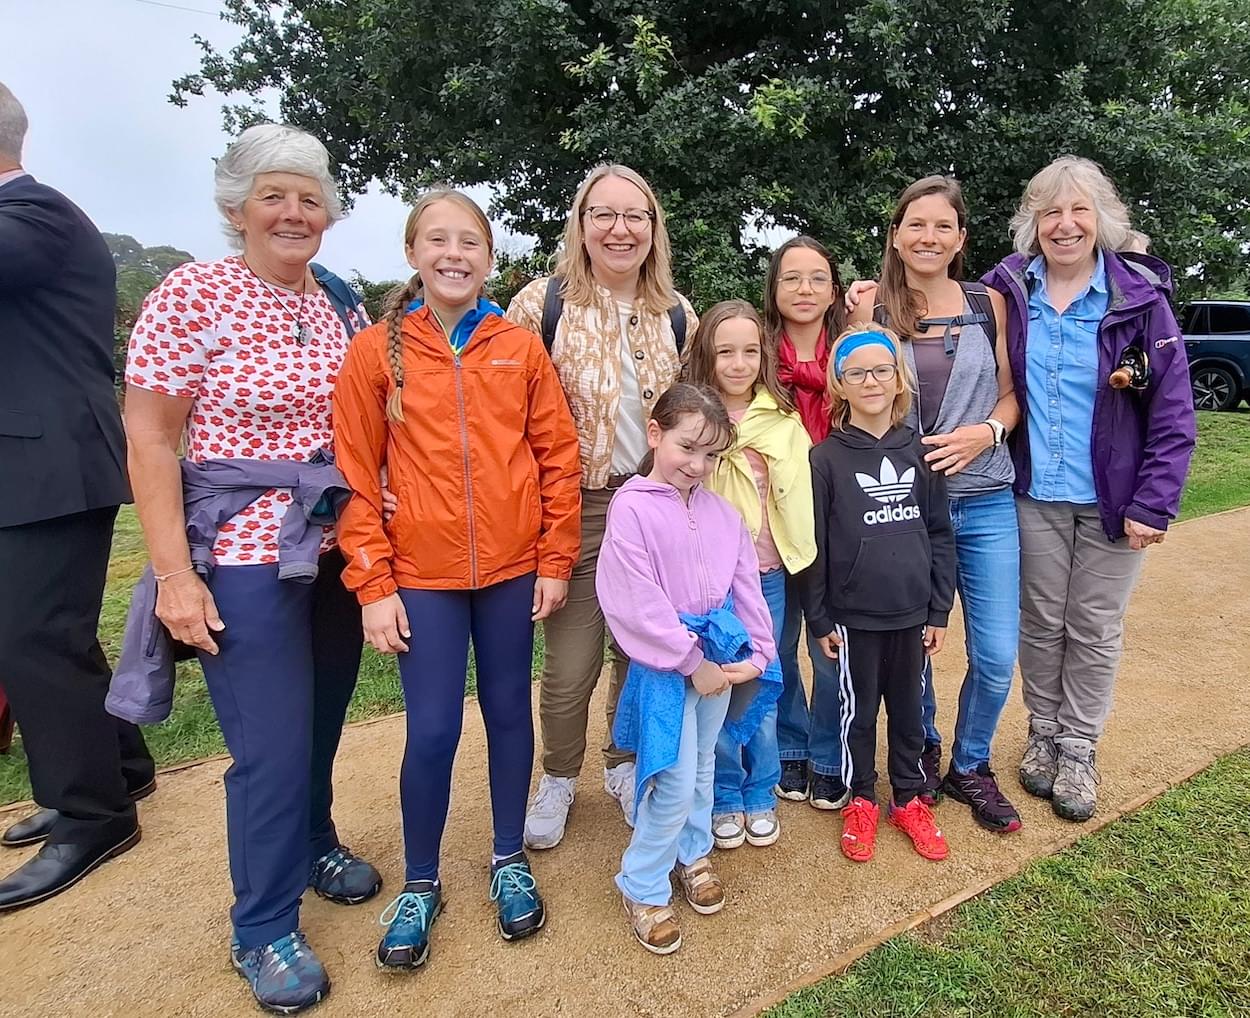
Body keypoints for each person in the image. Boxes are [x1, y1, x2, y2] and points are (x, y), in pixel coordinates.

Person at [124, 123, 380, 1014]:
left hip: (331, 541)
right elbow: (151, 440)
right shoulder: (193, 294)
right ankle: (263, 926)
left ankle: (312, 841)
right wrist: (172, 576)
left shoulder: (339, 302)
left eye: (310, 198)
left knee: (319, 721)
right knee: (268, 746)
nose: (293, 212)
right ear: (236, 207)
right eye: (274, 195)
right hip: (239, 550)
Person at [332, 190, 582, 971]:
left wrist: (554, 558)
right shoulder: (376, 351)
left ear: (489, 258)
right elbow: (354, 476)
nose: (454, 254)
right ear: (412, 253)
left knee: (510, 713)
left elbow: (557, 458)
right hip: (422, 577)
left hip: (511, 572)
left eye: (469, 241)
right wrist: (372, 583)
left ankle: (509, 859)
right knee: (433, 728)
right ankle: (421, 881)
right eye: (437, 240)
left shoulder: (518, 346)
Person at [981, 156, 1195, 821]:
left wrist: (1153, 502)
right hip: (1035, 494)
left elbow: (1173, 412)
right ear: (1033, 223)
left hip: (1114, 502)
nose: (1065, 224)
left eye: (1078, 210)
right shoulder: (1009, 291)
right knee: (1042, 622)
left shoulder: (1139, 299)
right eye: (1050, 211)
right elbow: (940, 305)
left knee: (1094, 626)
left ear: (1100, 220)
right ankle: (1043, 732)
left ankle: (1078, 745)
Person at [506, 164, 698, 849]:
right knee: (571, 661)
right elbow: (503, 413)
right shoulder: (540, 305)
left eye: (634, 216)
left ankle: (622, 765)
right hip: (576, 506)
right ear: (581, 225)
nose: (620, 229)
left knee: (640, 652)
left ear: (653, 228)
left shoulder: (676, 312)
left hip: (652, 502)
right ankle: (558, 776)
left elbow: (695, 418)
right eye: (604, 214)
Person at [0, 81, 156, 910]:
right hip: (38, 459)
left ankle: (91, 812)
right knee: (49, 631)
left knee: (31, 636)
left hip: (49, 461)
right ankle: (117, 768)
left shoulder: (36, 215)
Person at [847, 175, 1024, 834]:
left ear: (960, 237)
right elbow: (858, 401)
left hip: (985, 504)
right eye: (915, 224)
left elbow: (1011, 395)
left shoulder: (990, 303)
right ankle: (918, 750)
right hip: (905, 512)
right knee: (911, 650)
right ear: (895, 235)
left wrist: (988, 431)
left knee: (998, 653)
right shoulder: (871, 310)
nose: (929, 236)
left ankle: (971, 764)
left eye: (942, 226)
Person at [596, 383, 779, 954]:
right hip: (668, 671)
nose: (697, 465)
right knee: (672, 780)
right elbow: (634, 599)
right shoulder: (630, 507)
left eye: (711, 454)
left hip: (718, 669)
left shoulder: (723, 515)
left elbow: (745, 586)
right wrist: (689, 659)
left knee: (702, 768)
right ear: (655, 434)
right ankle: (642, 883)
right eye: (687, 447)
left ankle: (692, 854)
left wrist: (759, 654)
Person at [800, 325, 956, 863]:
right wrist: (819, 620)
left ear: (898, 379)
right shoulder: (825, 459)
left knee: (910, 713)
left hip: (912, 614)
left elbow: (939, 532)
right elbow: (814, 545)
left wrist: (939, 607)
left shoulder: (922, 450)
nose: (871, 380)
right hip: (852, 617)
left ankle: (909, 799)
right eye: (857, 372)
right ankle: (862, 798)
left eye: (881, 370)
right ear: (840, 384)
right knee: (857, 715)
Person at [680, 300, 815, 850]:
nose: (738, 363)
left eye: (750, 351)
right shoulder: (692, 422)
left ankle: (761, 789)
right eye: (724, 351)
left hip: (767, 576)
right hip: (709, 585)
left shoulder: (783, 422)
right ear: (707, 356)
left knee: (759, 682)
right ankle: (725, 794)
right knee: (715, 689)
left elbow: (800, 494)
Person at [762, 236, 850, 810]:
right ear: (774, 289)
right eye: (792, 278)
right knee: (776, 642)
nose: (805, 289)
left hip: (841, 524)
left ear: (834, 289)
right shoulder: (756, 353)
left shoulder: (853, 352)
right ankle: (788, 747)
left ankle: (826, 752)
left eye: (817, 277)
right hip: (772, 523)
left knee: (829, 648)